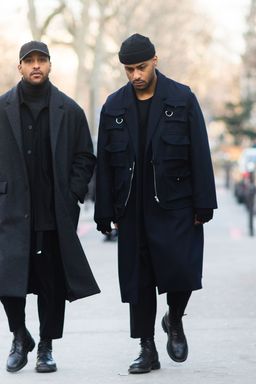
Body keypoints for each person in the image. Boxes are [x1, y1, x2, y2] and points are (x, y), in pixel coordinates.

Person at [94, 33, 217, 374]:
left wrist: (203, 203)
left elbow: (199, 153)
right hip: (132, 207)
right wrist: (104, 209)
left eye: (141, 67)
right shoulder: (113, 106)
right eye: (129, 69)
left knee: (183, 269)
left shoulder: (182, 98)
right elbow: (104, 162)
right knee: (139, 280)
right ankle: (146, 347)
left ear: (155, 61)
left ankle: (174, 318)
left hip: (176, 202)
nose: (136, 75)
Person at [0, 41, 100, 373]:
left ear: (50, 65)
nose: (36, 66)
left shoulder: (69, 111)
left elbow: (85, 156)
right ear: (20, 67)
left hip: (52, 212)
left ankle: (45, 346)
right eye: (29, 61)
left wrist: (71, 195)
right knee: (6, 278)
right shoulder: (2, 108)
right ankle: (19, 336)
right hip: (10, 210)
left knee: (51, 284)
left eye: (41, 60)